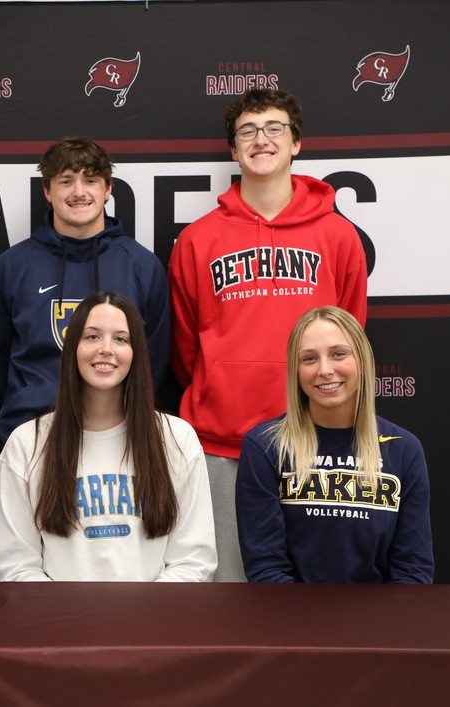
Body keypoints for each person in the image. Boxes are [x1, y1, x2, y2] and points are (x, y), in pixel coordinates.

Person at [168, 88, 368, 581]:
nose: (262, 139)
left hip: (316, 443)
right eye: (248, 132)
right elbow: (185, 347)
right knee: (227, 599)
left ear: (296, 143)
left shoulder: (338, 236)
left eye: (275, 128)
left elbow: (350, 338)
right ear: (233, 152)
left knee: (316, 598)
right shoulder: (198, 239)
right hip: (222, 446)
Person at [0, 292, 215, 582]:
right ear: (72, 348)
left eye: (121, 339)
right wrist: (72, 623)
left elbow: (194, 560)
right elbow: (15, 568)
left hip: (154, 623)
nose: (106, 349)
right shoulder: (26, 445)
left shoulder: (176, 439)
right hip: (59, 625)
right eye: (92, 336)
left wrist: (144, 620)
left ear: (136, 353)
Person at [0, 137, 170, 445]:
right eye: (66, 181)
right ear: (47, 191)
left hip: (119, 438)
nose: (79, 192)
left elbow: (155, 363)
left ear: (108, 189)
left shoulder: (141, 265)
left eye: (90, 180)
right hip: (32, 436)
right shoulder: (13, 266)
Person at [235, 307, 433, 583]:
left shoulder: (404, 449)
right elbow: (266, 569)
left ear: (362, 360)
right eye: (309, 358)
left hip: (380, 622)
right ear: (296, 370)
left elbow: (413, 570)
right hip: (291, 620)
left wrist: (381, 625)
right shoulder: (265, 446)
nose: (325, 370)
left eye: (339, 354)